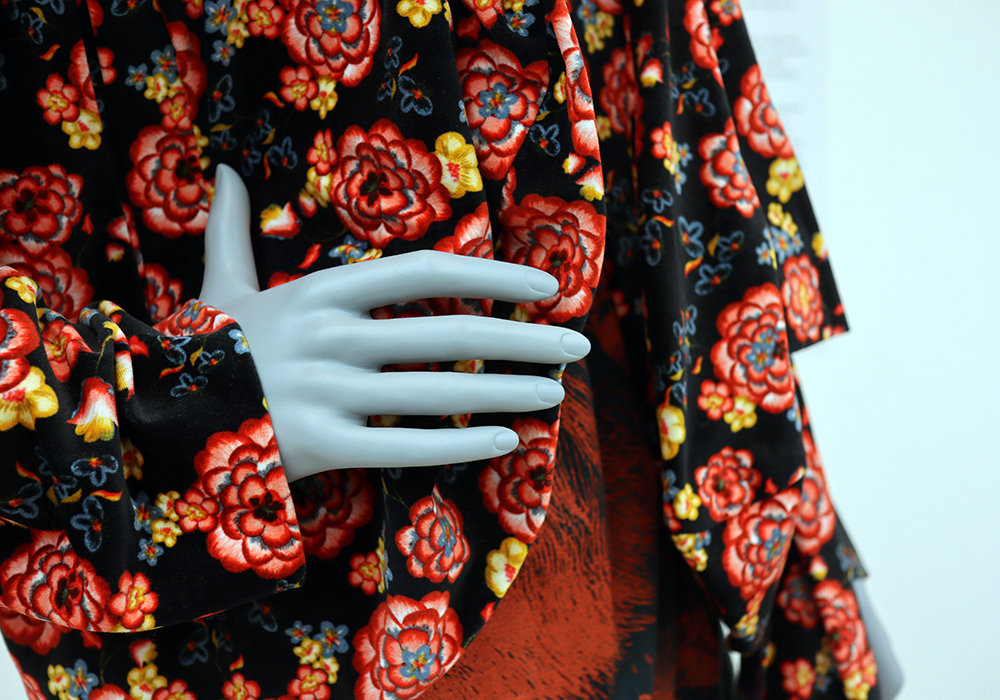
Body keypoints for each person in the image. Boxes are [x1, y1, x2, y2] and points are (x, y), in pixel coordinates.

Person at [0, 0, 898, 697]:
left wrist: (800, 532)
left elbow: (668, 107)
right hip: (283, 585)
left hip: (638, 510)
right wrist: (185, 403)